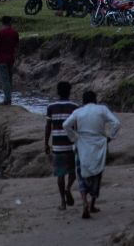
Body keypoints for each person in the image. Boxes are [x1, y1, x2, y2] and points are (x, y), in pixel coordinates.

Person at [62, 90, 120, 219]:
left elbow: (66, 125)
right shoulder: (102, 109)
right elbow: (116, 123)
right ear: (95, 99)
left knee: (81, 174)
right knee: (97, 175)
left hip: (82, 145)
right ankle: (92, 204)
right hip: (98, 144)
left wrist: (75, 137)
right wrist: (110, 136)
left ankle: (84, 203)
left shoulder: (78, 112)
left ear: (83, 100)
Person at [45, 81, 79, 211]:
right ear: (69, 91)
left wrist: (46, 143)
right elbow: (76, 127)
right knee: (72, 172)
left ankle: (63, 203)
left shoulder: (51, 106)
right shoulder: (74, 106)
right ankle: (68, 188)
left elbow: (48, 127)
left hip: (57, 146)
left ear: (58, 92)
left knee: (60, 174)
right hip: (71, 144)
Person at [0, 16, 19, 105]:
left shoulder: (0, 33)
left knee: (5, 80)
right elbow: (16, 46)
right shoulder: (14, 32)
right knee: (9, 79)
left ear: (2, 22)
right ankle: (8, 98)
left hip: (2, 59)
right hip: (11, 58)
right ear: (10, 22)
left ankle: (7, 100)